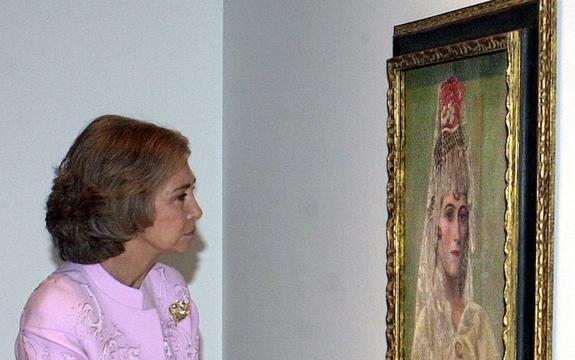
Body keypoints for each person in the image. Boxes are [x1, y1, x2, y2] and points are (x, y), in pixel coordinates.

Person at [15, 115, 203, 359]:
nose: (196, 211)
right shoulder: (58, 309)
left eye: (191, 192)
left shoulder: (169, 286)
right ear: (129, 202)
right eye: (180, 197)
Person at [411, 77, 499, 359]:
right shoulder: (427, 323)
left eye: (463, 216)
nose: (458, 233)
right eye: (449, 215)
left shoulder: (478, 321)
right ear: (434, 227)